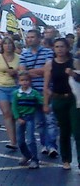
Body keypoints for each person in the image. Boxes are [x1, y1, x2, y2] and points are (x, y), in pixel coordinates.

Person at [18, 29, 58, 158]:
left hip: (46, 90)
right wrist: (39, 71)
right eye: (28, 37)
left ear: (39, 38)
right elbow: (22, 73)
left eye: (32, 37)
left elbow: (48, 69)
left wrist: (31, 72)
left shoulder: (48, 52)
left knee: (50, 120)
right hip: (32, 93)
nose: (29, 39)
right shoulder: (24, 54)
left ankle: (52, 146)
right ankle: (45, 144)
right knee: (40, 122)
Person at [43, 38, 80, 171]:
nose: (59, 49)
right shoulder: (50, 64)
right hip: (58, 99)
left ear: (67, 48)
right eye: (57, 46)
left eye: (62, 46)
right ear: (53, 48)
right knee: (64, 131)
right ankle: (66, 160)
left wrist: (74, 74)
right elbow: (46, 85)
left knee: (77, 131)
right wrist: (46, 103)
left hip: (73, 99)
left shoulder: (74, 62)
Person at [0, 37, 21, 150]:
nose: (8, 46)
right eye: (5, 44)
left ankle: (17, 136)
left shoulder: (19, 58)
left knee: (14, 114)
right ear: (2, 46)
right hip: (0, 87)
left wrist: (15, 72)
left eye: (10, 43)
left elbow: (23, 73)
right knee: (6, 113)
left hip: (14, 87)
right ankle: (12, 141)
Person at [12, 73, 42, 169]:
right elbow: (14, 107)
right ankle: (26, 154)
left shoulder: (34, 93)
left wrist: (46, 99)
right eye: (22, 80)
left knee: (30, 140)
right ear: (19, 82)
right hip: (21, 118)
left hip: (30, 118)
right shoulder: (16, 93)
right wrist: (17, 117)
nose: (24, 82)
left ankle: (34, 160)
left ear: (30, 81)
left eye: (26, 80)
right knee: (20, 140)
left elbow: (41, 100)